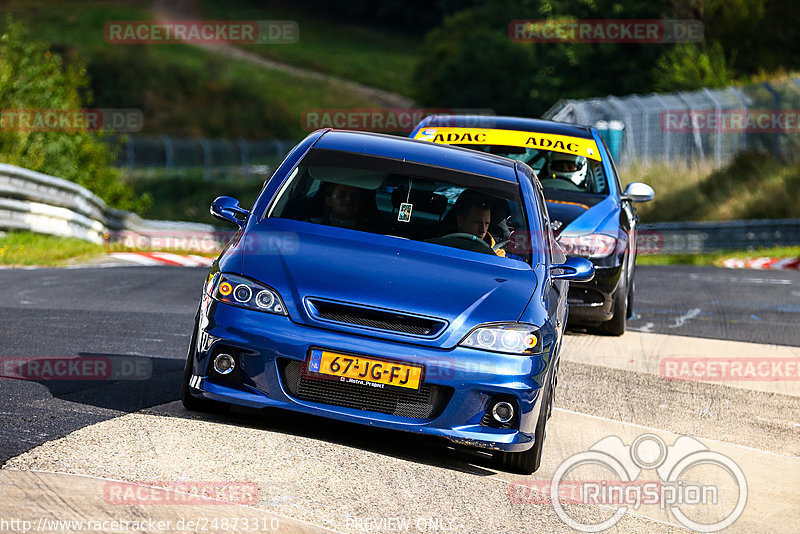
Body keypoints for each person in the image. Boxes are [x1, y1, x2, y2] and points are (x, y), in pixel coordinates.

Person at [448, 190, 506, 257]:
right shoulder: (438, 243)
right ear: (460, 221)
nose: (483, 230)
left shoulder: (497, 255)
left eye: (487, 223)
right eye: (478, 223)